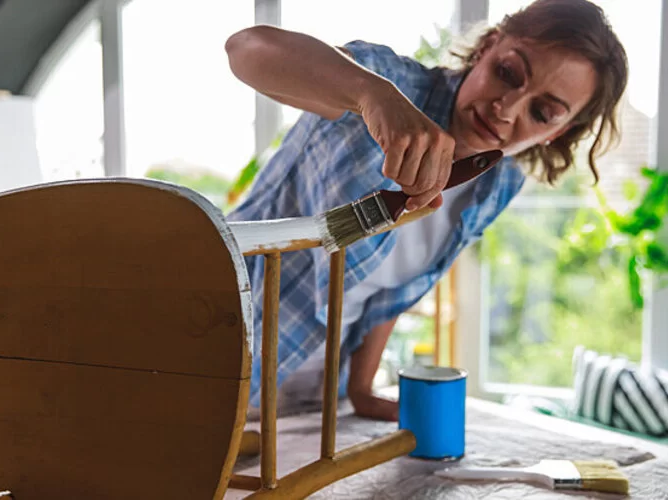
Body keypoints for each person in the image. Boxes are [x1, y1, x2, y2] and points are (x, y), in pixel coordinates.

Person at [224, 0, 628, 421]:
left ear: (557, 133)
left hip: (320, 399)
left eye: (541, 112)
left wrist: (361, 391)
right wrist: (371, 95)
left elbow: (390, 292)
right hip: (217, 353)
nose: (506, 110)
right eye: (506, 73)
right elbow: (245, 48)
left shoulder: (498, 183)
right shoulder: (391, 84)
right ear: (487, 47)